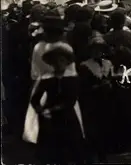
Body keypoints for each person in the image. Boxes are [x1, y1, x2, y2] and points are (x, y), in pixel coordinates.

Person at [31, 41, 85, 164]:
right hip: (49, 118)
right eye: (55, 61)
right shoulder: (46, 79)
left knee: (71, 149)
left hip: (67, 115)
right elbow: (35, 99)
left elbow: (71, 100)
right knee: (51, 150)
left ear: (66, 62)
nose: (58, 64)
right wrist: (40, 110)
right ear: (51, 63)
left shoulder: (72, 78)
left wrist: (52, 110)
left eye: (61, 61)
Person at [78, 34, 113, 163]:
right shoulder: (85, 66)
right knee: (92, 132)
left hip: (106, 102)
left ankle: (103, 156)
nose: (97, 52)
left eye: (100, 49)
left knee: (104, 130)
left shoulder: (107, 64)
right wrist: (97, 87)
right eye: (94, 49)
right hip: (91, 104)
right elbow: (82, 89)